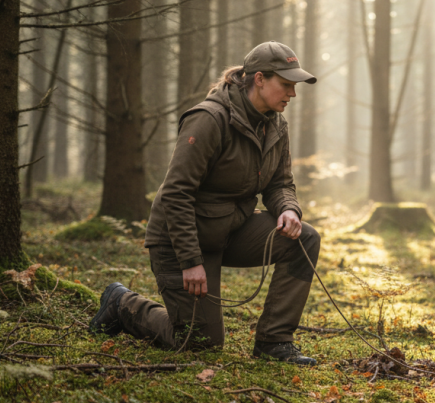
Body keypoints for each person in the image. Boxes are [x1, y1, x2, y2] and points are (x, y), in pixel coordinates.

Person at [89, 42, 321, 365]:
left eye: (294, 86)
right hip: (178, 240)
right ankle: (122, 303)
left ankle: (274, 342)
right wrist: (189, 260)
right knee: (200, 344)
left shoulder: (275, 125)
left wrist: (287, 209)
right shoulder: (209, 119)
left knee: (304, 238)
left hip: (228, 231)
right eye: (286, 85)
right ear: (259, 79)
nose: (292, 94)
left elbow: (280, 183)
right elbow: (176, 193)